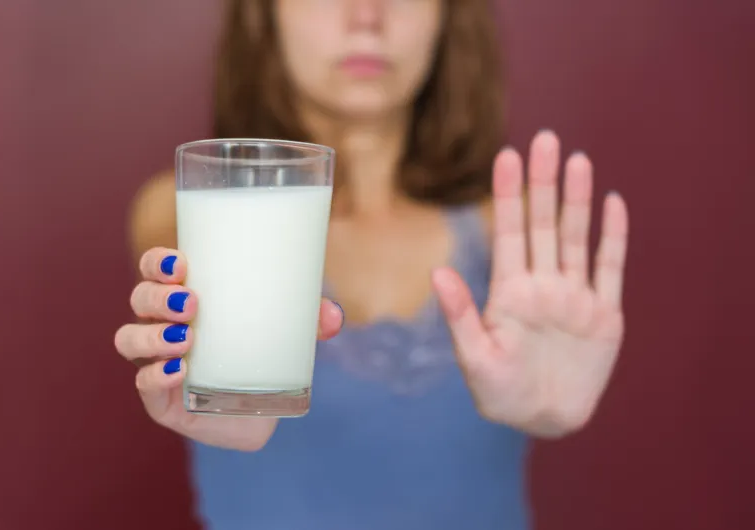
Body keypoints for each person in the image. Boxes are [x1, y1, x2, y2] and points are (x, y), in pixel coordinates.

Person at [113, 0, 630, 528]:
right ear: (263, 15)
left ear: (447, 18)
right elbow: (190, 291)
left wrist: (547, 412)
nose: (367, 16)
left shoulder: (519, 228)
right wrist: (223, 394)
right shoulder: (186, 210)